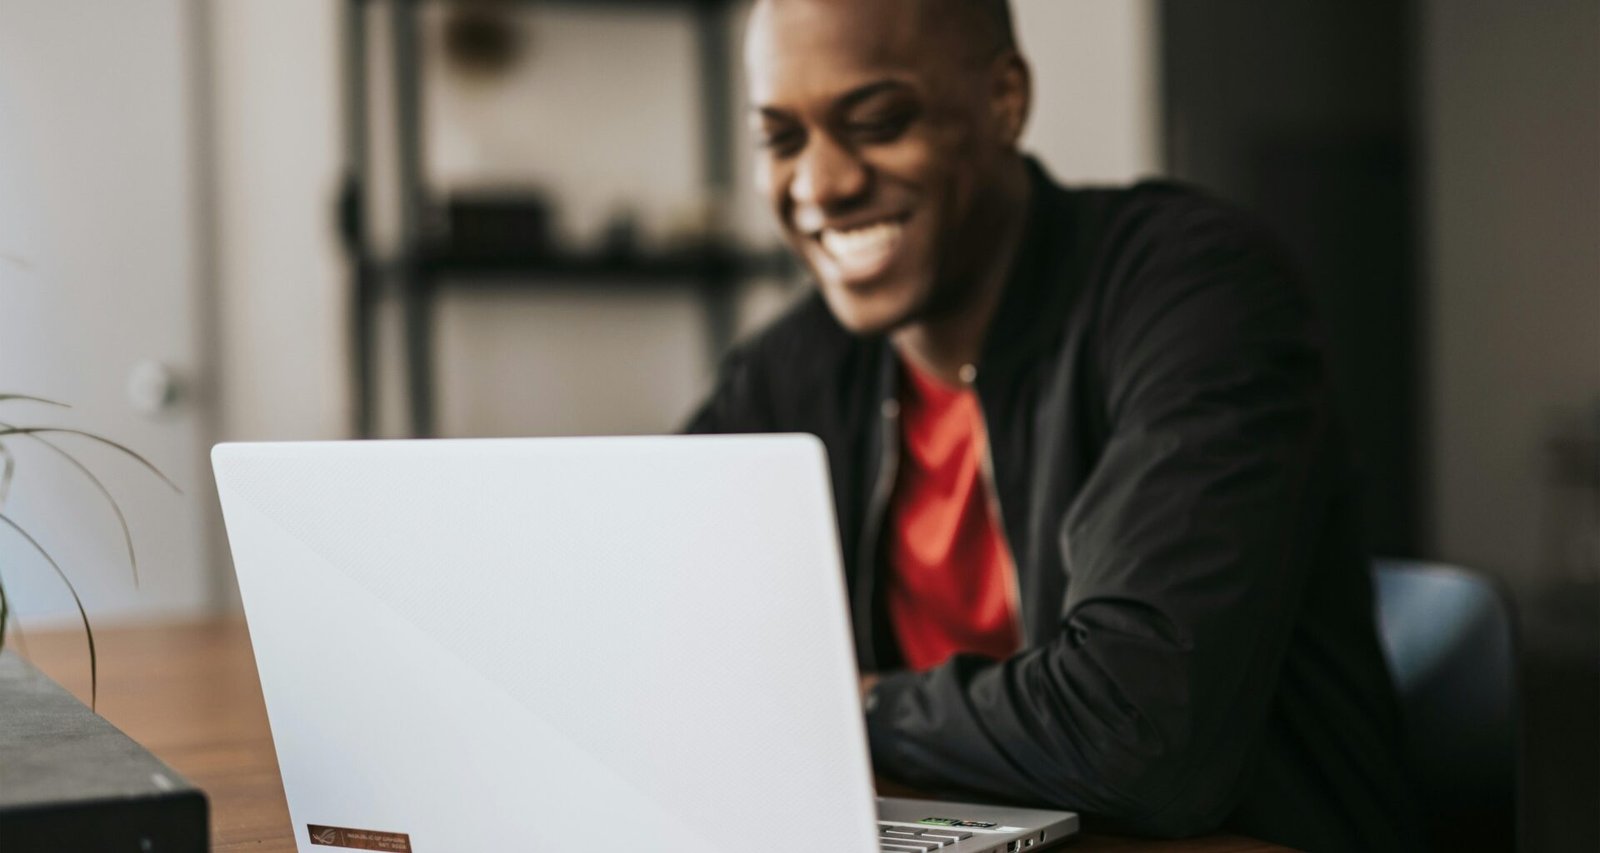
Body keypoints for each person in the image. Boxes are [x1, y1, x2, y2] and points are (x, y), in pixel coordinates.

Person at [688, 1, 1420, 849]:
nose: (820, 185)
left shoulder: (1195, 291)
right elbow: (657, 635)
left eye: (879, 122)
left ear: (1005, 100)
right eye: (780, 140)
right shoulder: (792, 367)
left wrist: (855, 705)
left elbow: (1138, 733)